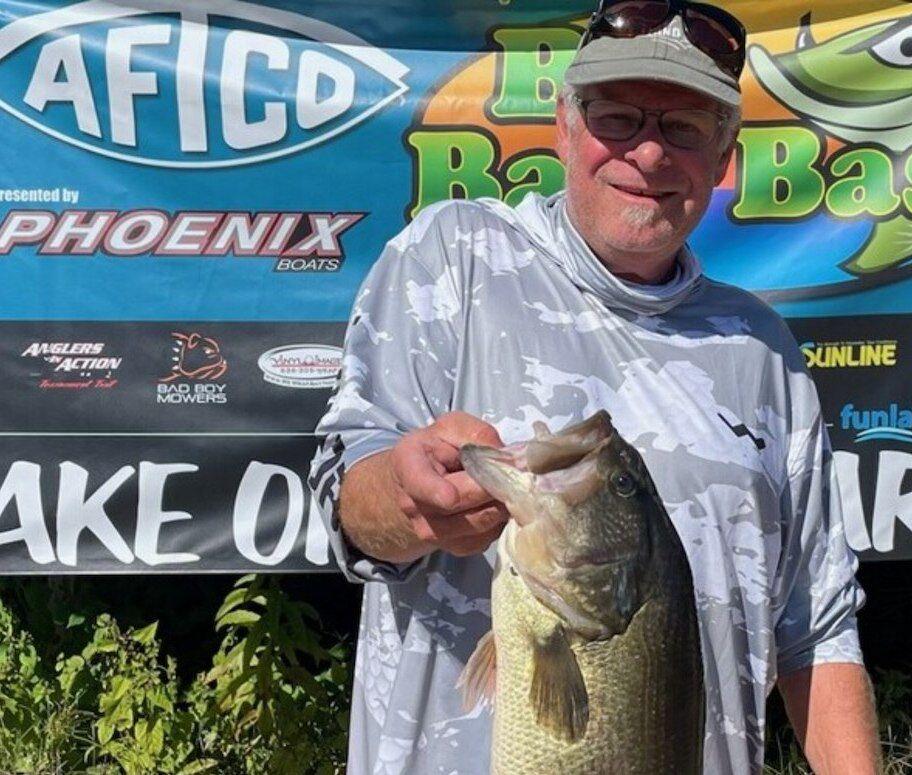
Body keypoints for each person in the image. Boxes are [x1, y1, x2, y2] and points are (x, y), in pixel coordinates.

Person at [310, 1, 882, 772]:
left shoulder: (763, 352)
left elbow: (815, 629)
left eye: (683, 128)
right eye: (618, 118)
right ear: (565, 128)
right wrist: (409, 502)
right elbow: (349, 503)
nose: (647, 154)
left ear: (723, 159)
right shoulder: (454, 257)